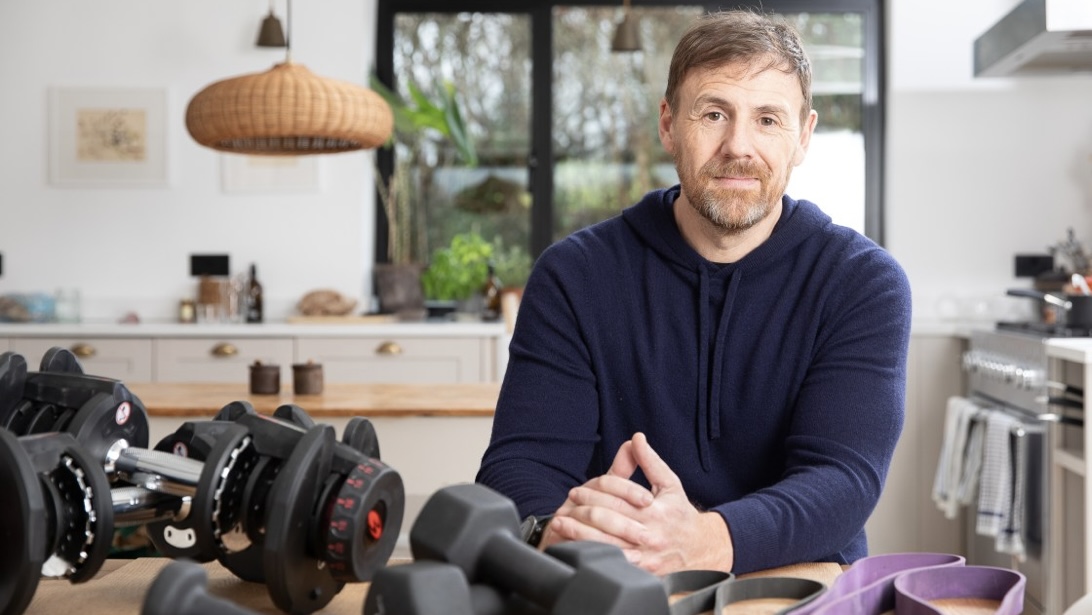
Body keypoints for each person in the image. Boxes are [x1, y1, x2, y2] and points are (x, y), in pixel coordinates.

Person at [475, 9, 911, 576]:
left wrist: (704, 539)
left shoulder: (863, 283)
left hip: (798, 585)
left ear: (804, 136)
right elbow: (521, 465)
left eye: (768, 120)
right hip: (613, 576)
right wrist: (554, 531)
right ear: (669, 124)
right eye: (713, 113)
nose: (739, 146)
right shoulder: (573, 276)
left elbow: (842, 481)